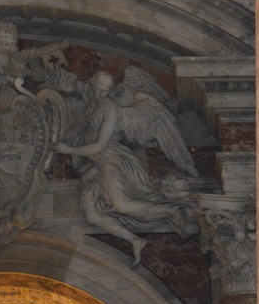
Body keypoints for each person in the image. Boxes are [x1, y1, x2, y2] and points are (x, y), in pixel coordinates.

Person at [53, 72, 195, 266]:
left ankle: (173, 211)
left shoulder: (111, 109)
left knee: (123, 205)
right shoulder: (91, 95)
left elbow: (99, 146)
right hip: (93, 165)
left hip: (111, 161)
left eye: (105, 90)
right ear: (92, 85)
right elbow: (78, 86)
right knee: (91, 214)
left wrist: (69, 150)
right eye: (98, 89)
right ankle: (135, 240)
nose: (101, 94)